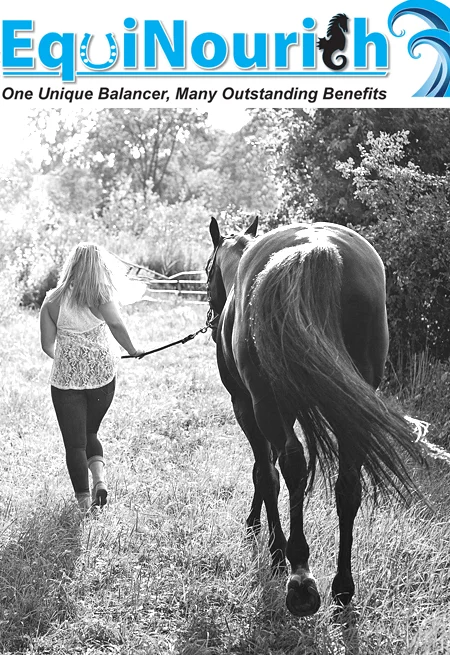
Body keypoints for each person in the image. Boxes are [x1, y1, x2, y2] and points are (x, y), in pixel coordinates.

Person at [40, 242, 144, 514]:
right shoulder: (101, 295)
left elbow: (47, 345)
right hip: (102, 378)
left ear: (71, 266)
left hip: (65, 383)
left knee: (75, 443)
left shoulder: (51, 300)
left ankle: (84, 503)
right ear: (98, 267)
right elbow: (117, 324)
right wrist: (133, 350)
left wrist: (69, 360)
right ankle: (100, 480)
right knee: (91, 431)